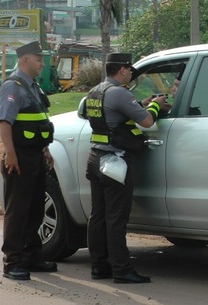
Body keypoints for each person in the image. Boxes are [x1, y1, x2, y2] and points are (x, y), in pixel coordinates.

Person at [83, 53, 169, 284]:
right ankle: (121, 269)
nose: (131, 73)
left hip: (95, 157)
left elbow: (110, 115)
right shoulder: (120, 93)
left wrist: (138, 106)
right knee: (116, 219)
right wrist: (154, 106)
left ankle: (99, 266)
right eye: (129, 69)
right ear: (121, 70)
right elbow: (148, 122)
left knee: (98, 216)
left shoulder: (96, 91)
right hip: (114, 161)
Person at [0, 41, 57, 281]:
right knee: (18, 211)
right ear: (24, 60)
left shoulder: (33, 87)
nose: (42, 63)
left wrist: (45, 150)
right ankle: (13, 263)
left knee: (35, 209)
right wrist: (10, 154)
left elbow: (38, 121)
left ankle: (32, 256)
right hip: (19, 157)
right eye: (38, 59)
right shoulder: (12, 87)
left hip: (35, 155)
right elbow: (5, 123)